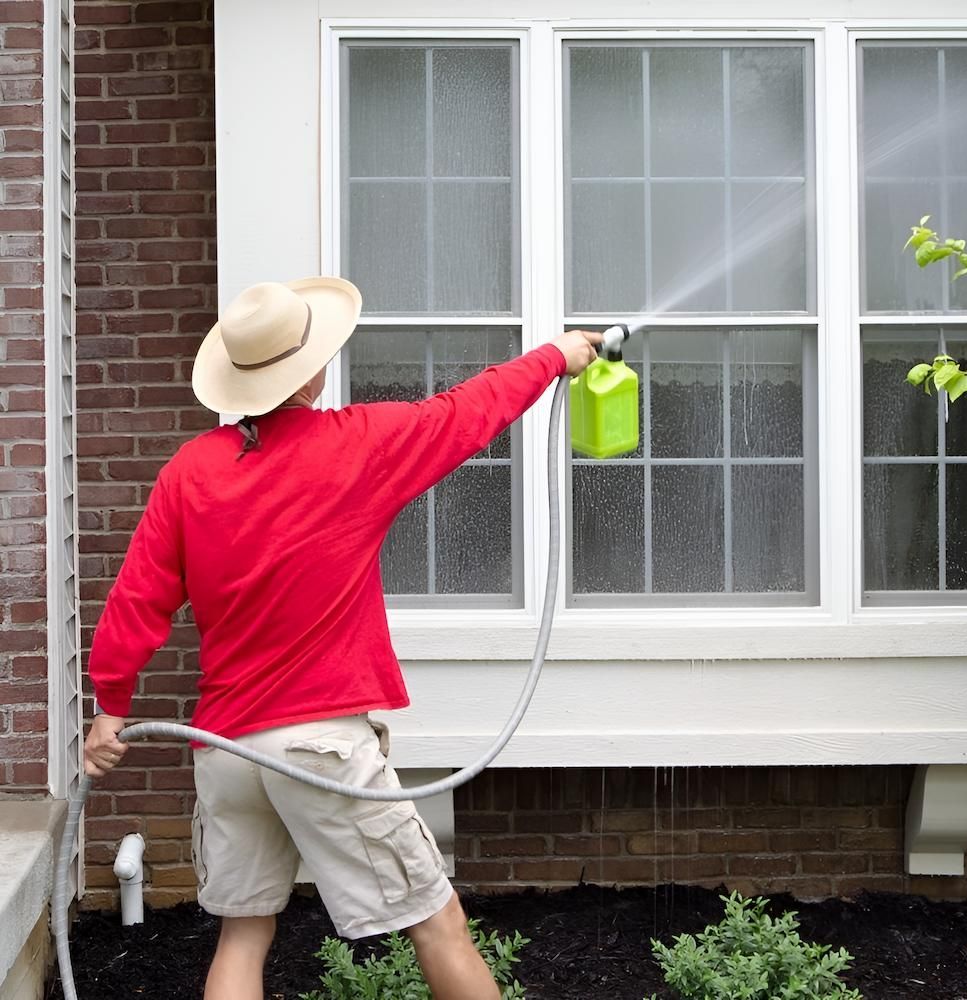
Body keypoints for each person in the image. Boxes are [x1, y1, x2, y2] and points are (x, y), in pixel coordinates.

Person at [83, 275, 604, 1000]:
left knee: (243, 933)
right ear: (313, 371)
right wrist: (554, 356)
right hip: (319, 745)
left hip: (226, 752)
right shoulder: (357, 445)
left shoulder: (189, 472)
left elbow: (137, 599)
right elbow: (468, 410)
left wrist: (109, 707)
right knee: (438, 924)